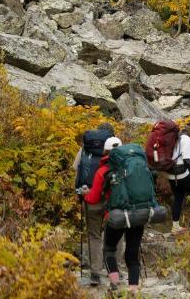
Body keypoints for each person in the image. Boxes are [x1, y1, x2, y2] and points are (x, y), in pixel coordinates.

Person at [82, 137, 145, 293]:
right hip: (138, 214)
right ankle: (133, 290)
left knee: (109, 249)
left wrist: (85, 194)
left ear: (105, 151)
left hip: (116, 216)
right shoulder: (135, 166)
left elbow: (93, 198)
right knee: (132, 253)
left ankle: (115, 286)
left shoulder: (103, 170)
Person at [74, 122, 123, 286]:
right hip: (113, 198)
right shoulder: (116, 148)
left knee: (94, 235)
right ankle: (116, 271)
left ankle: (95, 272)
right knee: (116, 234)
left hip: (90, 196)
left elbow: (77, 170)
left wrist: (79, 195)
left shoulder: (85, 148)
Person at [167, 119, 190, 233]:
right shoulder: (187, 139)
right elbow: (187, 161)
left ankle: (175, 227)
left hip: (170, 173)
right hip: (180, 173)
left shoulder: (177, 135)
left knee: (178, 196)